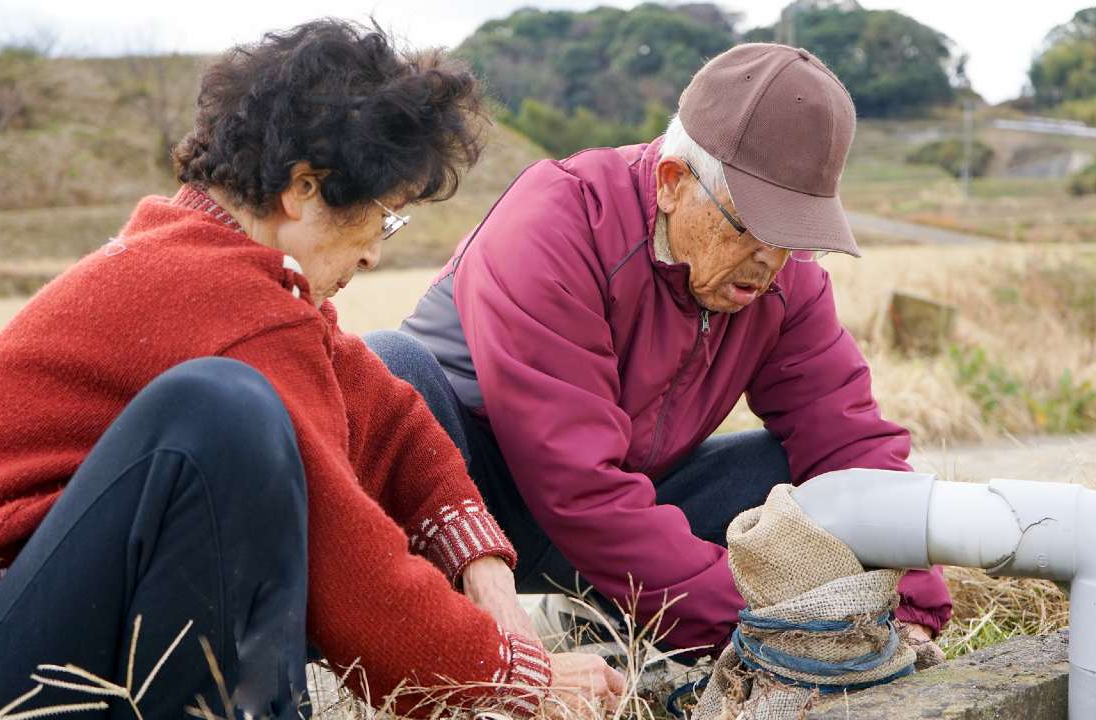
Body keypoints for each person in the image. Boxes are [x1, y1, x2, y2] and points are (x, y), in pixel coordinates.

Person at [0, 19, 621, 719]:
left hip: (28, 634)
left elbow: (391, 423)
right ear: (304, 187)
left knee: (395, 362)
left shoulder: (217, 268)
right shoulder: (222, 303)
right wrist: (520, 676)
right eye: (382, 217)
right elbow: (355, 581)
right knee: (225, 409)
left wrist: (485, 573)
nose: (372, 257)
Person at [377, 43, 953, 661]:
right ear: (673, 183)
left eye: (793, 236)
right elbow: (578, 486)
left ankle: (608, 623)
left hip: (619, 506)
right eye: (751, 227)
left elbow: (850, 444)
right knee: (392, 371)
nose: (770, 260)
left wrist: (913, 603)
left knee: (795, 481)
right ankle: (436, 644)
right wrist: (765, 628)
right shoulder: (554, 225)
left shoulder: (789, 279)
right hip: (473, 499)